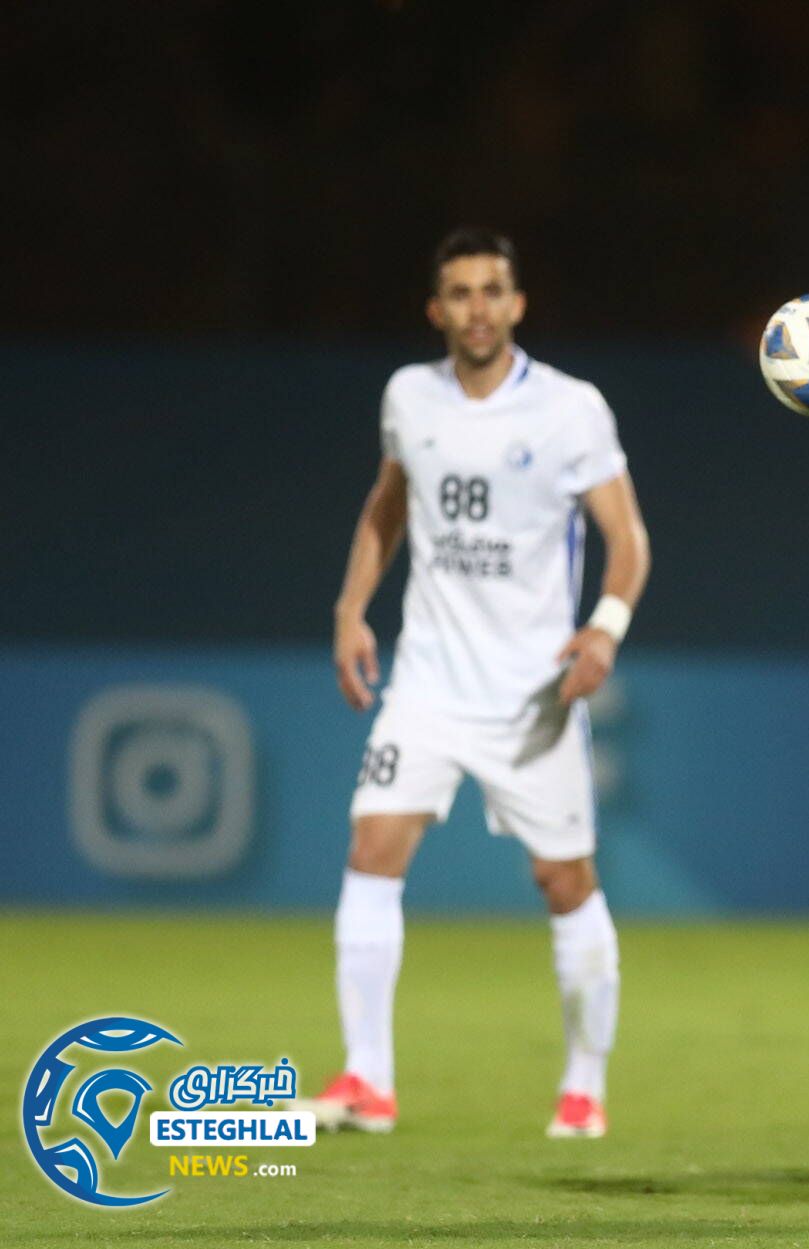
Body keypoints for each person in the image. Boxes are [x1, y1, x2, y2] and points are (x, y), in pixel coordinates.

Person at [302, 228, 651, 1140]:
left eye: (493, 290)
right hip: (426, 680)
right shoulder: (409, 396)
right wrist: (351, 607)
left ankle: (584, 1084)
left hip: (533, 696)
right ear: (437, 310)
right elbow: (389, 503)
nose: (478, 308)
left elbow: (628, 538)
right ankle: (367, 1079)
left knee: (563, 879)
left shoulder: (570, 409)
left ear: (517, 303)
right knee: (372, 846)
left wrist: (605, 629)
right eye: (459, 293)